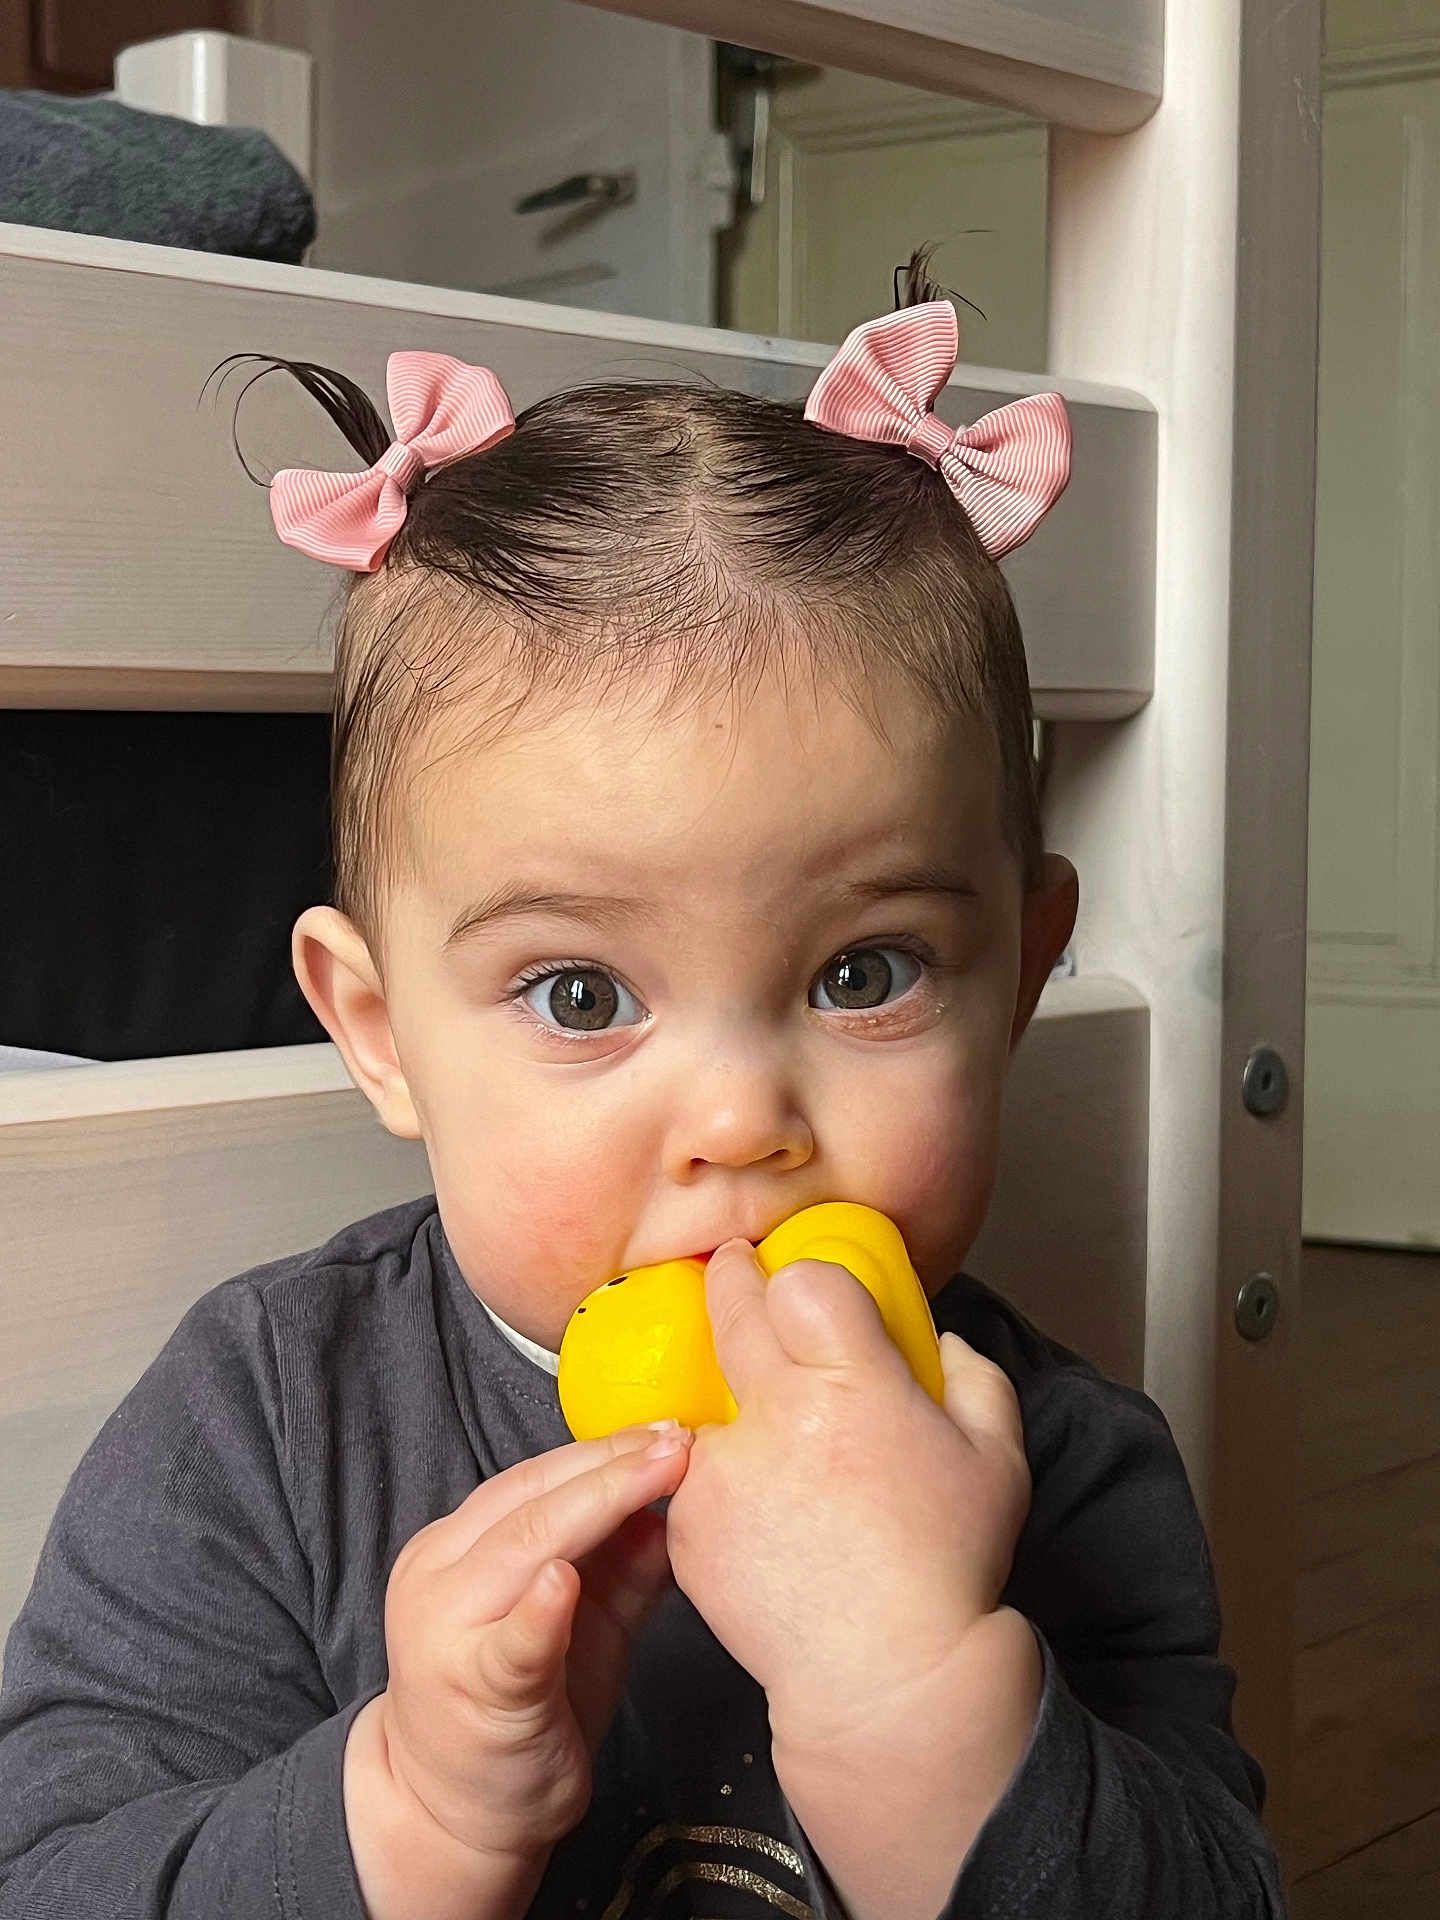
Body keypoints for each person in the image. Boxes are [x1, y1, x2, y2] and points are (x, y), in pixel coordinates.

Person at [0, 251, 1286, 1919]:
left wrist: (926, 1701)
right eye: (582, 993)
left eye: (863, 972)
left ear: (1023, 974)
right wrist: (401, 1809)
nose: (743, 1119)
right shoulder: (264, 1423)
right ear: (380, 1030)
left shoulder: (1070, 1465)